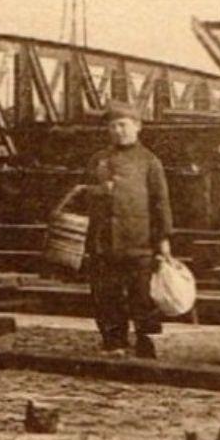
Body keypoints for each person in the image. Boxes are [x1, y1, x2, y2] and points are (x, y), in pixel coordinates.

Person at [82, 99, 172, 358]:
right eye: (113, 127)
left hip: (139, 241)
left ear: (138, 127)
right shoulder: (99, 159)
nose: (118, 131)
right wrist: (99, 191)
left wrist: (164, 239)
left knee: (143, 297)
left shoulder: (149, 162)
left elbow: (160, 202)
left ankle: (149, 345)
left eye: (123, 125)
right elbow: (84, 193)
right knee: (106, 297)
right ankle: (114, 343)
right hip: (105, 242)